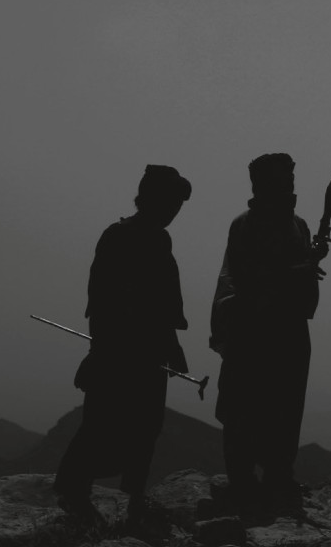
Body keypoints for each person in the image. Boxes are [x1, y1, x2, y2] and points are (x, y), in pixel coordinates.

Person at [54, 165, 192, 528]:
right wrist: (101, 350)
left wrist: (173, 347)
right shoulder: (119, 236)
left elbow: (163, 304)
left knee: (146, 426)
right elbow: (102, 298)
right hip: (119, 349)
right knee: (101, 423)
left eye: (178, 205)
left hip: (151, 351)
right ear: (150, 199)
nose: (174, 211)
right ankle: (72, 490)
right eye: (171, 202)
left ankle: (132, 498)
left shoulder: (160, 240)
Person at [211, 153, 328, 515]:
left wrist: (311, 262)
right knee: (246, 404)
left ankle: (278, 474)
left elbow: (296, 270)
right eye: (283, 178)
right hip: (254, 329)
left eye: (291, 177)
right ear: (261, 184)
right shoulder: (245, 224)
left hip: (290, 329)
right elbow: (248, 277)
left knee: (286, 404)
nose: (290, 184)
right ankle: (243, 480)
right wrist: (300, 269)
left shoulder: (300, 224)